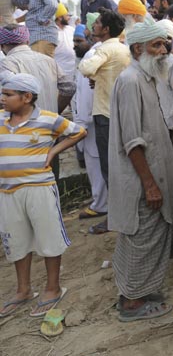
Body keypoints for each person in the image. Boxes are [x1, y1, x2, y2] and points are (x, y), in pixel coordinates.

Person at [109, 21, 173, 322]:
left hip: (151, 175)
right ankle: (132, 304)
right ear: (138, 48)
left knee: (149, 238)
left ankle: (139, 291)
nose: (164, 50)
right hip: (142, 181)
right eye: (156, 45)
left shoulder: (146, 77)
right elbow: (133, 141)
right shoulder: (130, 81)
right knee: (142, 239)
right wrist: (150, 185)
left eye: (164, 44)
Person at [0, 74, 85, 318]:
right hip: (7, 191)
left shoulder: (48, 120)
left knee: (48, 238)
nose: (2, 98)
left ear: (27, 98)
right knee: (16, 241)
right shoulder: (1, 119)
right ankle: (23, 290)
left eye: (8, 94)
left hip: (39, 188)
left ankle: (52, 288)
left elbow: (79, 132)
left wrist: (53, 151)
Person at [78, 8, 131, 234]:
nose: (94, 25)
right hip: (120, 111)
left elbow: (84, 67)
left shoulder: (104, 49)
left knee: (109, 168)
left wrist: (92, 74)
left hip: (105, 114)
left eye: (98, 22)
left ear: (106, 29)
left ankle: (115, 217)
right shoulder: (123, 48)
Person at [0, 25, 74, 114]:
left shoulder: (5, 64)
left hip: (22, 125)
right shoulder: (49, 61)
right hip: (50, 122)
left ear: (2, 45)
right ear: (27, 41)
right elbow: (69, 87)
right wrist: (56, 111)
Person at [73, 25, 107, 219]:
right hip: (98, 116)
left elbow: (86, 94)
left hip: (92, 120)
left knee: (95, 161)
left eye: (79, 41)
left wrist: (82, 123)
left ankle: (101, 204)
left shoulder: (92, 56)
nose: (75, 45)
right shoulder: (107, 51)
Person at [154, 19, 173, 131]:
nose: (165, 42)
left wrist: (170, 124)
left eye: (169, 39)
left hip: (168, 122)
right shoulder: (149, 60)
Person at [54, 3, 76, 83]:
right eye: (67, 16)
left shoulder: (72, 30)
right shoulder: (51, 32)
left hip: (72, 73)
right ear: (59, 18)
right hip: (58, 75)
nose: (69, 18)